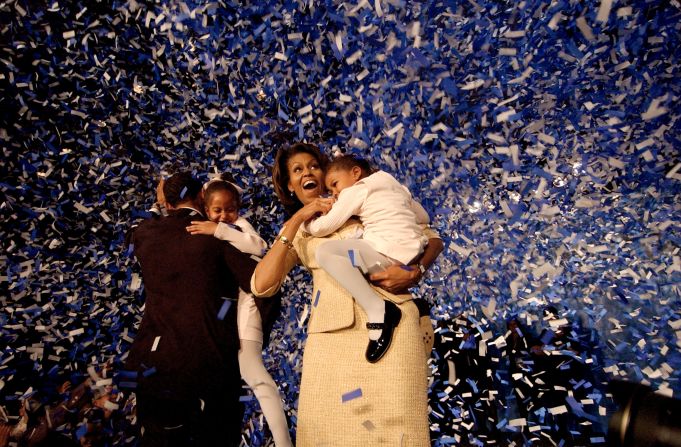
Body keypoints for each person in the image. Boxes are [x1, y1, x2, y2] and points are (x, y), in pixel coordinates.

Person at [251, 142, 443, 446]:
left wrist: (417, 269)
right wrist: (299, 218)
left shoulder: (359, 197)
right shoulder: (300, 230)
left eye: (313, 166)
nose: (307, 173)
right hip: (331, 340)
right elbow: (261, 285)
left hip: (392, 330)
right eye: (298, 170)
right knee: (327, 434)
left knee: (398, 430)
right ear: (289, 186)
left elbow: (432, 235)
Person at [125, 171, 257, 447]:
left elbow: (140, 228)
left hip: (154, 364)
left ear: (167, 202)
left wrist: (159, 204)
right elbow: (258, 283)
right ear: (202, 197)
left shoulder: (144, 233)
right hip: (210, 364)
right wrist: (254, 340)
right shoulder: (219, 234)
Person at [185, 177, 292, 447]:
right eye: (217, 211)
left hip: (248, 312)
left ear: (238, 208)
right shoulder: (207, 227)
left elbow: (258, 247)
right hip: (224, 319)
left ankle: (283, 442)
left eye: (229, 209)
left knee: (254, 373)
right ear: (206, 208)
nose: (223, 215)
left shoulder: (237, 226)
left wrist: (218, 229)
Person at [304, 155, 430, 362]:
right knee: (350, 251)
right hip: (410, 256)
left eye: (335, 185)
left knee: (326, 252)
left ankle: (378, 309)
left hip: (384, 255)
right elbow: (424, 217)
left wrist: (305, 224)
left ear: (355, 173)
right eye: (331, 192)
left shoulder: (358, 189)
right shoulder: (396, 186)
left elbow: (323, 227)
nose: (335, 194)